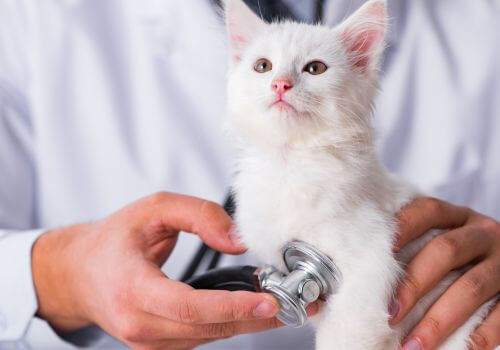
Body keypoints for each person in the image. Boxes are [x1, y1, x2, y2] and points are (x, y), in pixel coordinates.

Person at [0, 0, 498, 349]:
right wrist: (59, 274)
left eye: (313, 70)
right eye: (261, 65)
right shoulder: (31, 19)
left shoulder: (482, 21)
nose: (280, 82)